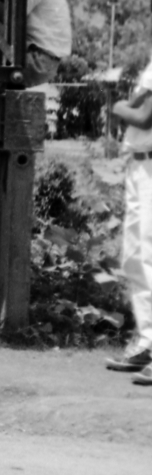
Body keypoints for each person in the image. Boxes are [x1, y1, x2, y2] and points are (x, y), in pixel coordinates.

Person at [103, 74, 152, 385]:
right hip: (141, 165)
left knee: (146, 256)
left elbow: (144, 117)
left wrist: (118, 106)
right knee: (136, 258)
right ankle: (146, 344)